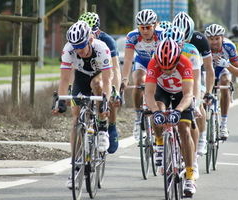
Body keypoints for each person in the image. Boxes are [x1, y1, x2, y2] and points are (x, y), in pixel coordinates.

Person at [51, 20, 112, 188]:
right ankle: (75, 165)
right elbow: (64, 79)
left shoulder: (101, 49)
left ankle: (102, 126)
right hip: (80, 78)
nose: (79, 50)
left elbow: (108, 81)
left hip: (98, 77)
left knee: (98, 86)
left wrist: (105, 103)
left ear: (90, 40)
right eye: (75, 46)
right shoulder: (69, 49)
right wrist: (61, 102)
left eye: (82, 45)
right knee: (76, 119)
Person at [144, 38, 197, 196]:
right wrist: (156, 112)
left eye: (170, 67)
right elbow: (148, 94)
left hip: (181, 94)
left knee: (184, 129)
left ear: (178, 59)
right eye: (163, 68)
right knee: (158, 112)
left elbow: (188, 94)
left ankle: (190, 176)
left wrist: (178, 110)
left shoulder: (185, 63)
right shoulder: (153, 63)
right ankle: (160, 144)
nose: (167, 71)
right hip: (163, 92)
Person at [172, 12, 215, 180]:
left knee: (199, 103)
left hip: (198, 71)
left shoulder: (200, 40)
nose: (183, 43)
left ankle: (201, 138)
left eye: (186, 39)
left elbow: (209, 70)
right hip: (176, 70)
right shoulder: (170, 36)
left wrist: (208, 92)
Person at [78, 12, 121, 154]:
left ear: (98, 31)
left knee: (110, 93)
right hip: (86, 72)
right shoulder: (79, 42)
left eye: (91, 32)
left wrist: (116, 91)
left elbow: (115, 69)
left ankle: (111, 127)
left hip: (103, 71)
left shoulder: (107, 42)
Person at [121, 9, 163, 140]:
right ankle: (137, 117)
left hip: (158, 63)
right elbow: (128, 59)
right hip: (142, 62)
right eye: (141, 27)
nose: (145, 31)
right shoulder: (132, 36)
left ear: (155, 25)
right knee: (139, 82)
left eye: (148, 27)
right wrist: (124, 79)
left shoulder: (162, 34)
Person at [204, 23, 238, 140]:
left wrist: (227, 65)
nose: (214, 42)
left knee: (226, 83)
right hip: (207, 70)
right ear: (207, 39)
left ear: (222, 37)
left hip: (222, 70)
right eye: (211, 39)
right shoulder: (203, 46)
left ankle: (224, 125)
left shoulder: (229, 46)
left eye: (217, 38)